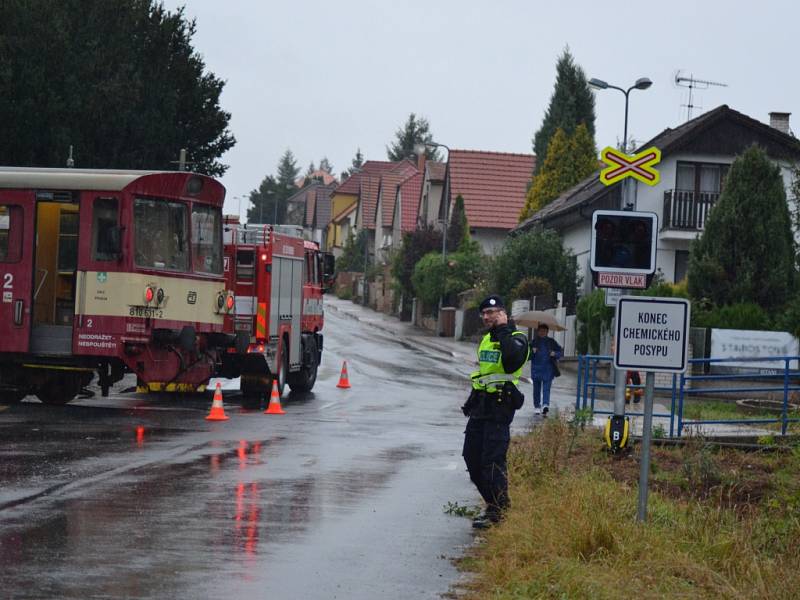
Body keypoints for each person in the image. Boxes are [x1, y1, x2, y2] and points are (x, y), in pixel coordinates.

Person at [462, 295, 529, 529]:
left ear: (504, 314)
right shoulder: (486, 340)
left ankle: (499, 511)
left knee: (492, 461)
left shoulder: (517, 338)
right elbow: (485, 373)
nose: (488, 317)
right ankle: (492, 503)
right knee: (471, 457)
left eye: (493, 313)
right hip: (481, 406)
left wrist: (502, 329)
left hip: (501, 407)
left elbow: (511, 362)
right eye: (485, 314)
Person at [529, 323, 562, 417]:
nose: (542, 333)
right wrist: (532, 352)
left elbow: (560, 352)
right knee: (536, 389)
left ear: (547, 332)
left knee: (546, 389)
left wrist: (554, 354)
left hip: (548, 369)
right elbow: (527, 356)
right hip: (536, 369)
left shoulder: (552, 342)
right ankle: (536, 406)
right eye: (540, 331)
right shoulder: (533, 342)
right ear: (538, 331)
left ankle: (545, 405)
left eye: (544, 331)